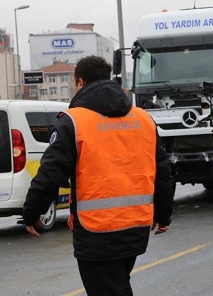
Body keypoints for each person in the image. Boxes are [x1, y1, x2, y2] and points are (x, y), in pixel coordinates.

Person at [22, 55, 175, 296]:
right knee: (117, 286)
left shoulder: (73, 122)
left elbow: (50, 173)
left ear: (80, 82)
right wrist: (163, 214)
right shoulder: (143, 119)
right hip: (136, 226)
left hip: (96, 230)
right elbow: (163, 171)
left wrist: (31, 212)